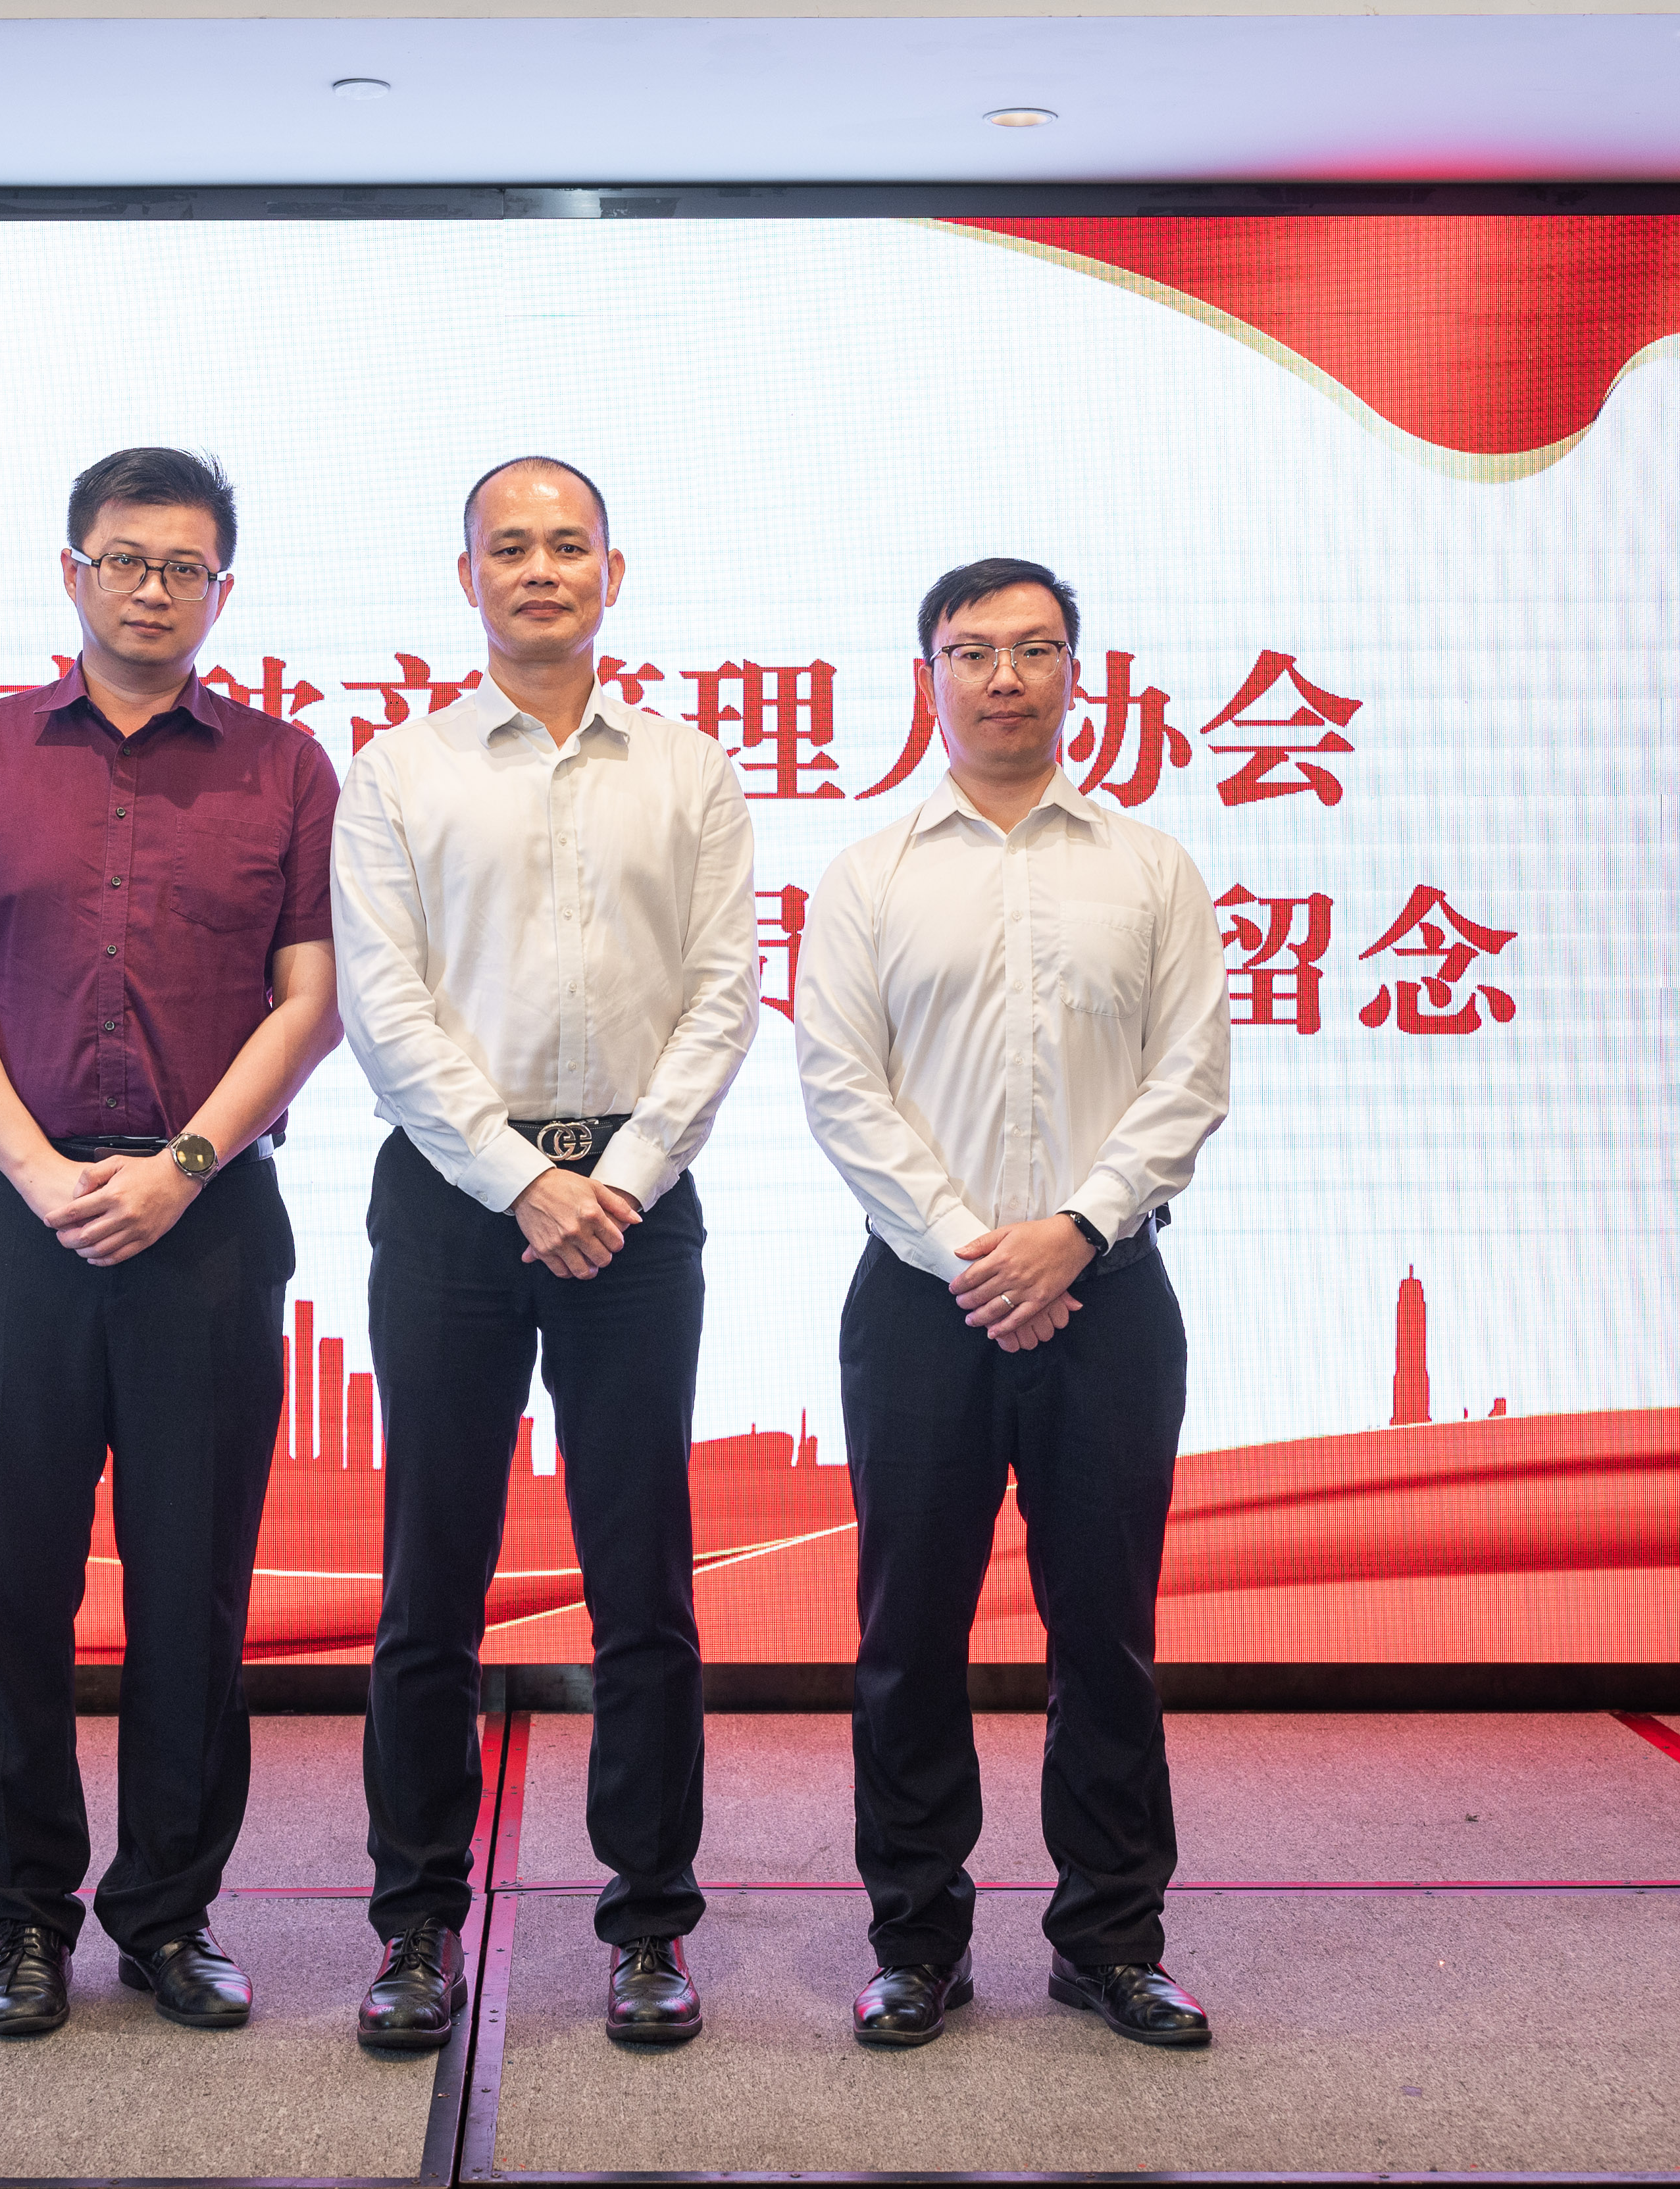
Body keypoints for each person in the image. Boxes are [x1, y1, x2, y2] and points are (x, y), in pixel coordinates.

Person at [0, 447, 344, 2038]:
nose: (152, 589)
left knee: (195, 1582)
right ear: (72, 572)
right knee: (9, 1574)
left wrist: (186, 1164)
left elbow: (313, 998)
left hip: (205, 1222)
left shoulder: (286, 769)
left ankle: (170, 1913)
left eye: (183, 566)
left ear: (223, 589)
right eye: (124, 560)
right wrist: (32, 1168)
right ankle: (20, 1916)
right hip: (9, 1218)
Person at [333, 457, 758, 2051]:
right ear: (466, 579)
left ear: (611, 572)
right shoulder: (398, 770)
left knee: (642, 1579)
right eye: (506, 547)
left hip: (636, 1202)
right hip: (454, 1196)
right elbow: (385, 1006)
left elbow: (723, 993)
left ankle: (649, 1922)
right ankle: (414, 1921)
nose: (538, 569)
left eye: (566, 545)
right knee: (428, 1578)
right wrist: (522, 1179)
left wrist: (618, 1178)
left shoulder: (690, 771)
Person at [791, 557, 1228, 2051]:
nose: (1003, 678)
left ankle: (1112, 1940)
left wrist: (1076, 1235)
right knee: (909, 1631)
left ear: (1075, 675)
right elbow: (842, 1089)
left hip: (1110, 1295)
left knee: (1105, 1632)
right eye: (971, 651)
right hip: (924, 1302)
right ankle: (915, 1940)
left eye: (1034, 650)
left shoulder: (1151, 868)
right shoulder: (870, 875)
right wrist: (979, 1252)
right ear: (928, 675)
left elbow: (1189, 1078)